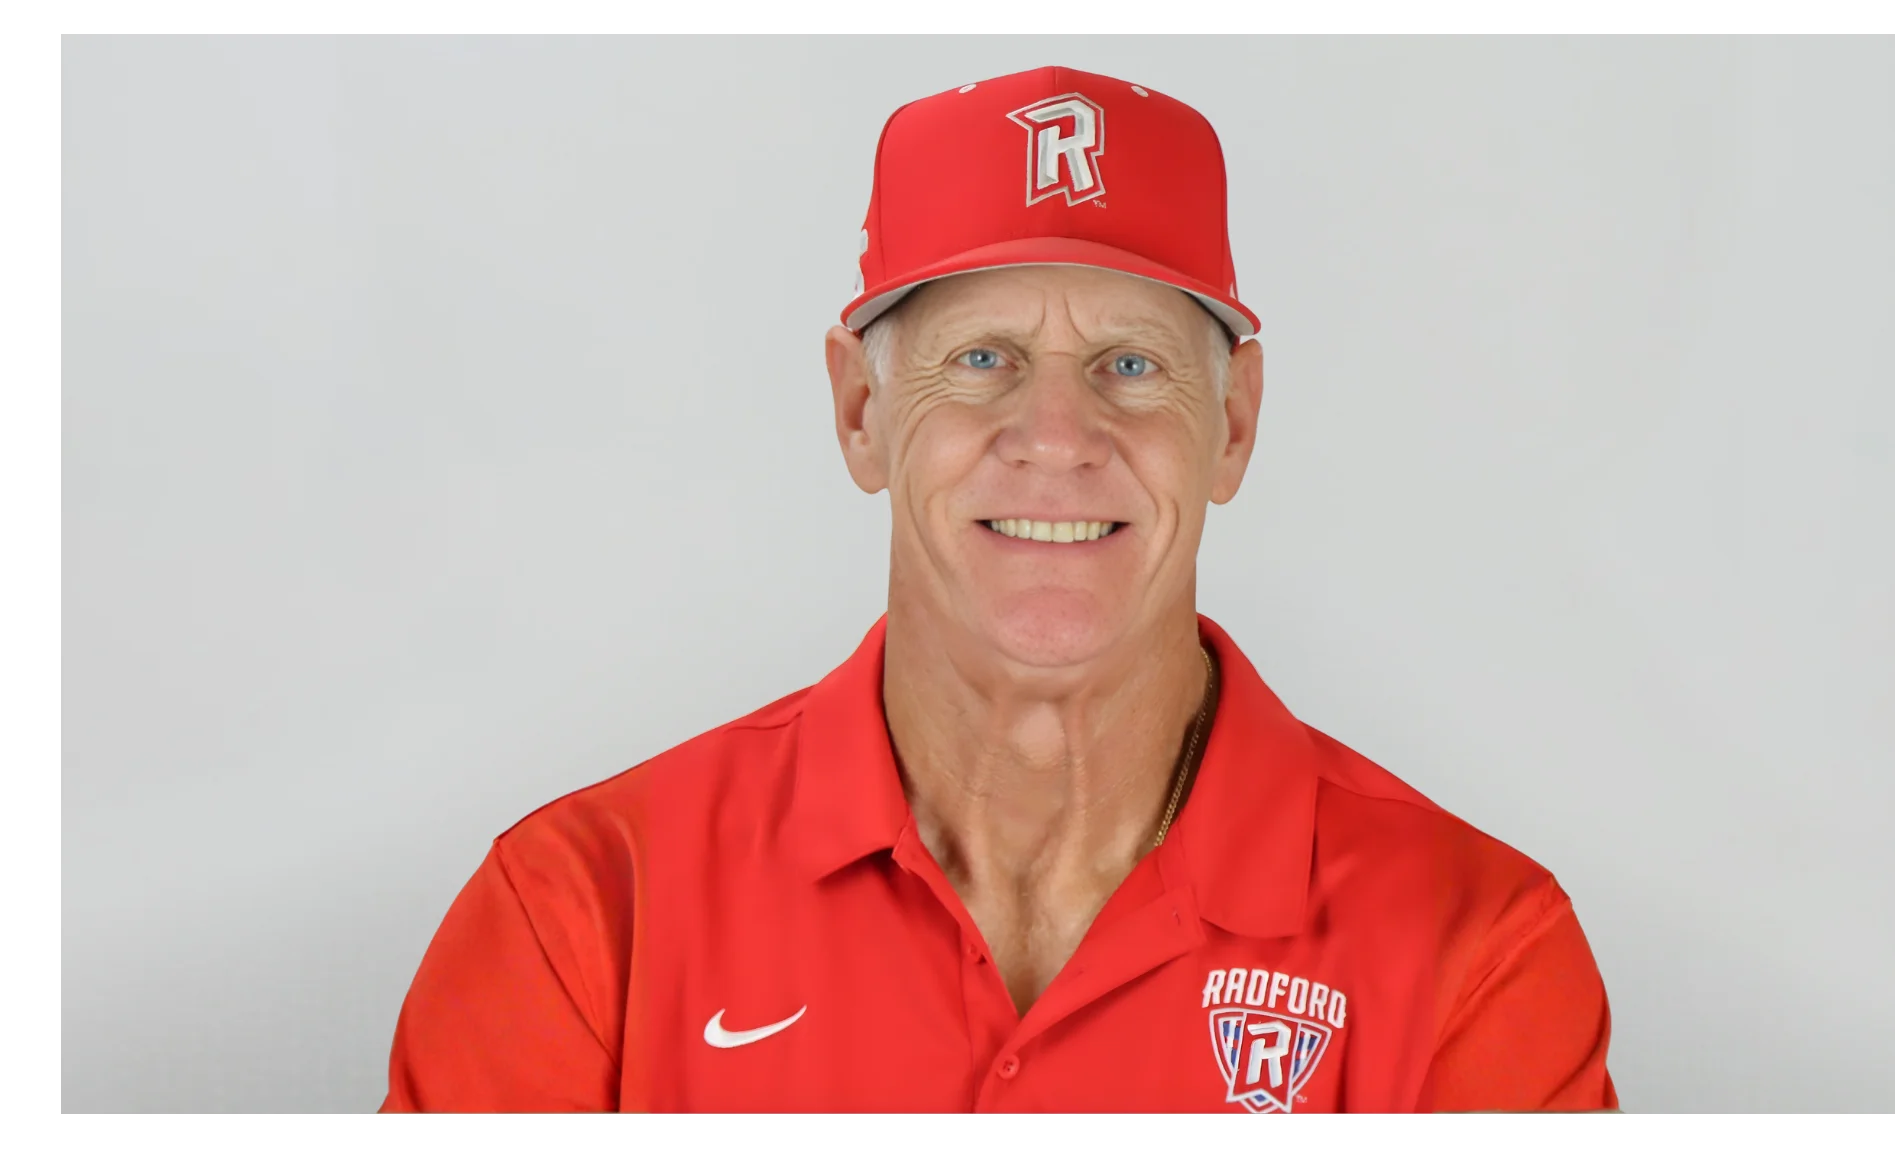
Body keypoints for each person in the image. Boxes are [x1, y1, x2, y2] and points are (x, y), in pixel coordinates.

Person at [380, 65, 1619, 1116]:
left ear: (1234, 425)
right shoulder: (585, 914)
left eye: (1130, 365)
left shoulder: (1475, 948)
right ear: (861, 413)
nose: (1056, 437)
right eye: (982, 359)